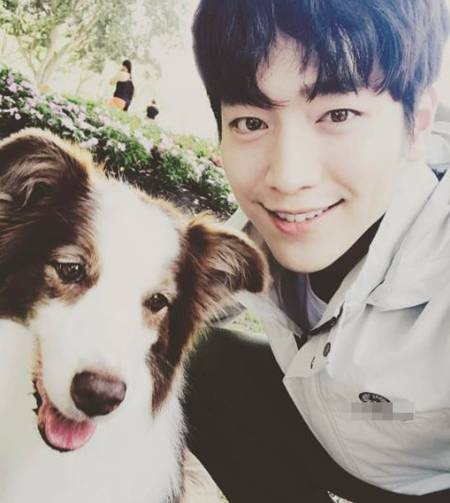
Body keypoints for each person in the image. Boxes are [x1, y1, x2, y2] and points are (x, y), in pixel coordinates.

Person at [184, 1, 450, 502]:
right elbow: (169, 300)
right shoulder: (256, 237)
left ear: (416, 122)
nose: (288, 178)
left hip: (425, 482)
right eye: (250, 122)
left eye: (338, 114)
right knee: (198, 361)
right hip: (326, 433)